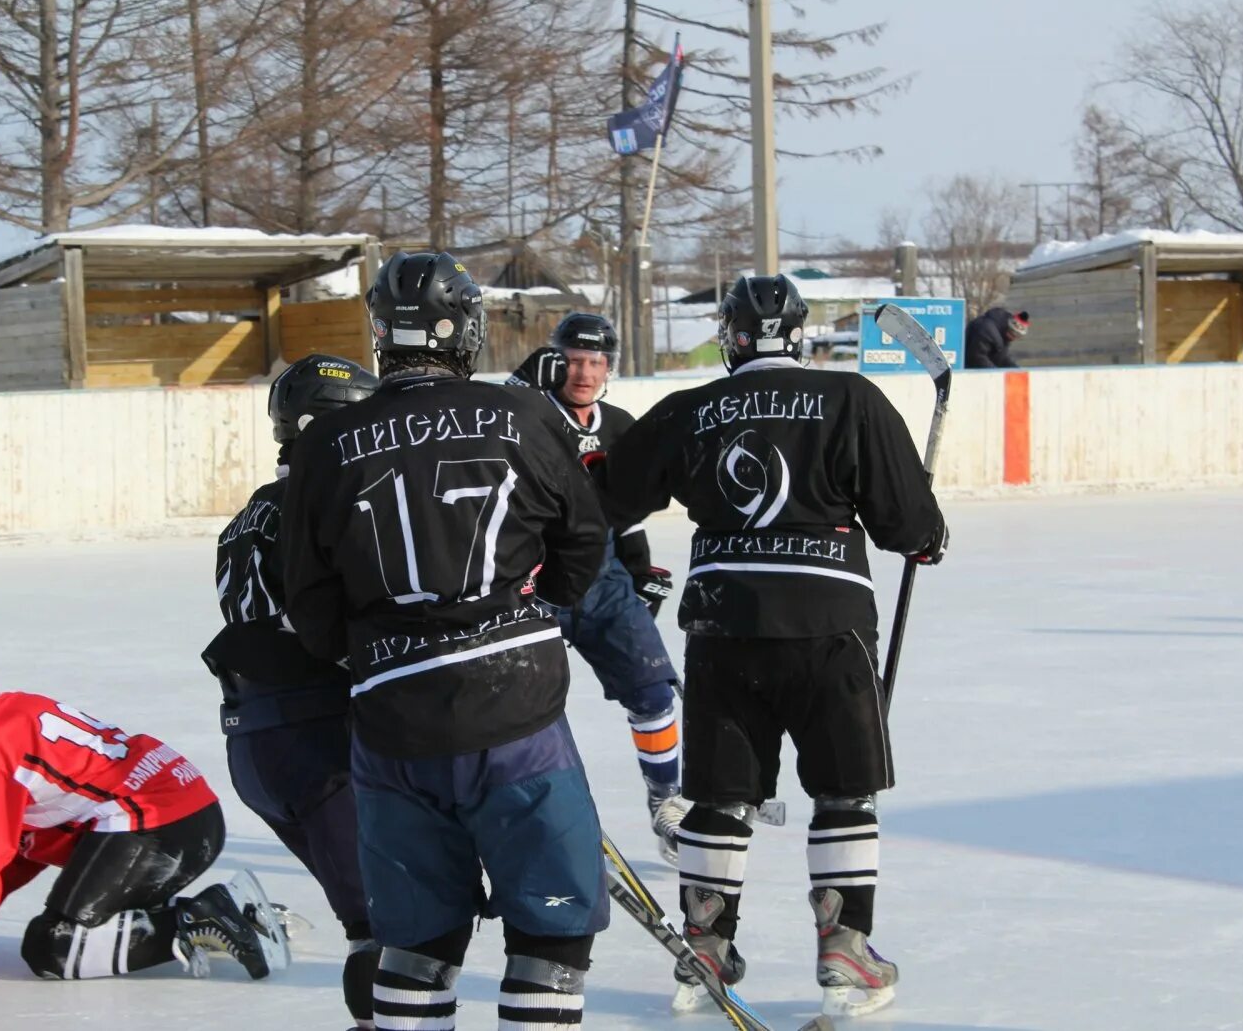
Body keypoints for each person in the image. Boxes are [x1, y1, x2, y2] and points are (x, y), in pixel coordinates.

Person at [591, 275, 947, 1019]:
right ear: (800, 334)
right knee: (843, 789)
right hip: (829, 623)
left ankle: (706, 944)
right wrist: (929, 532)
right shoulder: (852, 401)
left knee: (722, 794)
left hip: (723, 626)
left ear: (731, 336)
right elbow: (906, 525)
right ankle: (846, 946)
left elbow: (607, 502)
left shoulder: (691, 409)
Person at [280, 251, 611, 1031]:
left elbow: (313, 610)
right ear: (465, 329)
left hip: (393, 724)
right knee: (552, 931)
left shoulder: (325, 444)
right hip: (517, 716)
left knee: (418, 941)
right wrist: (536, 604)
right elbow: (583, 544)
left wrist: (376, 648)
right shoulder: (524, 412)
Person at [0, 646, 288, 982]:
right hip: (184, 814)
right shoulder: (7, 712)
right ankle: (237, 919)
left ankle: (203, 919)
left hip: (154, 826)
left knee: (54, 947)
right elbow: (17, 848)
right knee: (79, 927)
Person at [206, 353, 381, 1029]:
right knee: (385, 925)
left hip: (255, 742)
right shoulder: (324, 502)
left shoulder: (249, 514)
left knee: (385, 916)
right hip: (319, 738)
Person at [508, 312, 689, 862]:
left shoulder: (620, 426)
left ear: (610, 367)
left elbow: (627, 509)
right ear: (555, 360)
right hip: (532, 574)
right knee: (519, 708)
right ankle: (526, 810)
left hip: (604, 575)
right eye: (573, 360)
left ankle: (668, 801)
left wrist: (638, 571)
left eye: (594, 362)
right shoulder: (530, 414)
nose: (583, 372)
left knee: (654, 690)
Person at [964, 305, 1029, 368]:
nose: (1014, 338)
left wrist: (1017, 371)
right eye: (1014, 334)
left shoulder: (1002, 336)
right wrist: (996, 374)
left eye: (1017, 336)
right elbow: (977, 357)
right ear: (1009, 328)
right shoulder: (987, 330)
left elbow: (1002, 359)